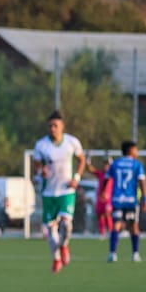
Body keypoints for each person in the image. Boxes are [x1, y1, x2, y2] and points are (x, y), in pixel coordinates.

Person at [32, 110, 85, 274]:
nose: (53, 128)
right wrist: (41, 171)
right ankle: (56, 259)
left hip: (66, 190)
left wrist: (76, 177)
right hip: (49, 192)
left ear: (62, 126)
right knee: (50, 229)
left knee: (67, 224)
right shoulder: (41, 145)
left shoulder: (71, 142)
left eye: (55, 125)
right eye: (50, 126)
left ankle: (64, 246)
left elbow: (81, 160)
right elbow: (36, 164)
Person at [106, 140, 146, 263]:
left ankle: (112, 253)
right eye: (136, 149)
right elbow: (142, 182)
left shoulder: (115, 164)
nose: (137, 152)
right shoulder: (137, 165)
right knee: (134, 226)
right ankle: (135, 254)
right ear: (130, 150)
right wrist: (145, 199)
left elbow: (106, 178)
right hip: (131, 200)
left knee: (116, 225)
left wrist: (104, 191)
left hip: (117, 199)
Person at [92, 159, 113, 238]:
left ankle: (111, 232)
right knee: (100, 215)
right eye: (105, 165)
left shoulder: (112, 175)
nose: (105, 166)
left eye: (107, 165)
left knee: (107, 214)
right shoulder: (101, 174)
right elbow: (92, 170)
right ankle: (102, 233)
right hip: (100, 199)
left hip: (108, 199)